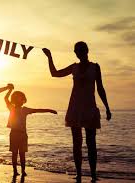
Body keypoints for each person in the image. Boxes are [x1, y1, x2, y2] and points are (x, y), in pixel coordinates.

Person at [42, 41, 112, 182]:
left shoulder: (95, 67)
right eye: (76, 51)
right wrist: (49, 57)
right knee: (77, 143)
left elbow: (100, 88)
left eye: (80, 50)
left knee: (91, 143)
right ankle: (79, 174)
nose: (78, 53)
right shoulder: (74, 67)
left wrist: (107, 107)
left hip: (90, 108)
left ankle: (93, 174)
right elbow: (54, 74)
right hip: (75, 108)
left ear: (86, 50)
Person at [4, 88, 57, 176]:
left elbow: (38, 110)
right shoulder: (11, 108)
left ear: (23, 100)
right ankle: (15, 171)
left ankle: (23, 170)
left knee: (22, 154)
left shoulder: (25, 109)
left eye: (21, 98)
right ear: (13, 100)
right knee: (14, 153)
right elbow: (5, 98)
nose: (19, 100)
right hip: (14, 134)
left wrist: (49, 110)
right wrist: (9, 90)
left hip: (23, 134)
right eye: (17, 98)